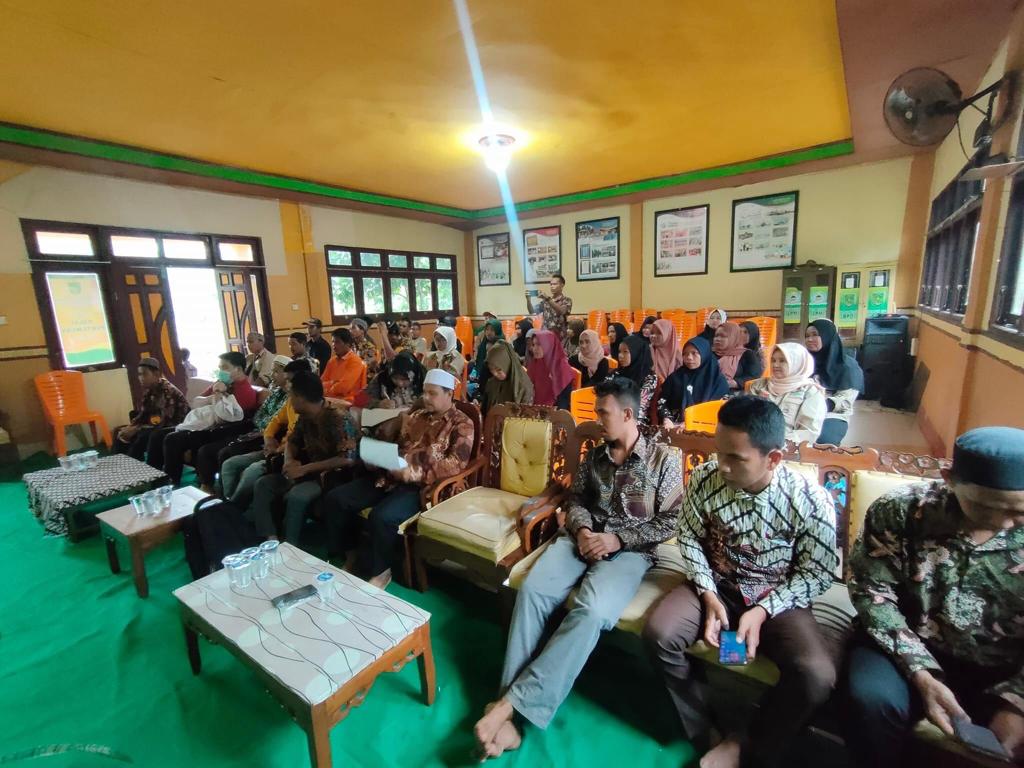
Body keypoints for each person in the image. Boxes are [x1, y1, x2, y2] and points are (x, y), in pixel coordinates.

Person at [473, 378, 683, 759]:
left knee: (592, 611)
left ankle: (508, 706)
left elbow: (670, 521)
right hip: (579, 541)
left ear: (628, 414)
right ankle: (509, 715)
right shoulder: (595, 456)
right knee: (533, 590)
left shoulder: (663, 460)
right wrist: (584, 531)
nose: (597, 420)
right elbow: (576, 500)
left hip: (630, 552)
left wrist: (617, 540)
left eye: (603, 413)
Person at [644, 395, 839, 768]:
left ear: (773, 459)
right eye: (720, 453)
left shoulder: (810, 500)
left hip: (779, 599)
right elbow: (688, 536)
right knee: (659, 634)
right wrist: (707, 591)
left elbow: (816, 572)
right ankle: (705, 729)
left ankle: (748, 743)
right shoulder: (705, 479)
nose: (722, 466)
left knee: (816, 675)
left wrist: (764, 609)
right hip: (718, 585)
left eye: (736, 458)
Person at [843, 426, 1024, 768]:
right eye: (987, 507)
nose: (1004, 523)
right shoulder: (901, 510)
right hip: (908, 642)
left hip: (1004, 666)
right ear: (949, 479)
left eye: (1020, 512)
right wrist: (921, 672)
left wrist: (1016, 702)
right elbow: (872, 590)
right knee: (871, 700)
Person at [325, 368, 475, 589]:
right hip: (390, 476)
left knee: (382, 517)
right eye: (424, 392)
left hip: (423, 486)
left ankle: (381, 571)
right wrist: (378, 457)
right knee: (336, 499)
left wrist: (414, 472)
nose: (426, 398)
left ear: (449, 394)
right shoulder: (416, 416)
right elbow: (400, 446)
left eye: (432, 393)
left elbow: (455, 464)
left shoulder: (462, 424)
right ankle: (352, 555)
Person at [249, 370, 359, 544]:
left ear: (301, 398)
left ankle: (290, 546)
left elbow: (347, 458)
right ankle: (270, 538)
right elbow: (293, 441)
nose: (289, 399)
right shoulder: (305, 415)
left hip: (330, 476)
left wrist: (304, 469)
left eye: (291, 395)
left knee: (297, 496)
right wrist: (289, 461)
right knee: (263, 484)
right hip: (305, 469)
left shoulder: (339, 418)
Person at [146, 351, 259, 485]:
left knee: (172, 439)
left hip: (217, 431)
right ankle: (153, 479)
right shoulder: (221, 383)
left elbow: (224, 419)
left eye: (225, 368)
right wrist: (213, 397)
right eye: (220, 368)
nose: (220, 372)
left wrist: (218, 393)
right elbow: (196, 402)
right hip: (201, 424)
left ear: (238, 369)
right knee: (157, 435)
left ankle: (171, 483)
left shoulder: (245, 391)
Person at [193, 354, 292, 491]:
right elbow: (260, 416)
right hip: (255, 430)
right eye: (272, 370)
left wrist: (265, 432)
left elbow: (278, 423)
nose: (271, 375)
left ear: (287, 375)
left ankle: (223, 493)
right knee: (205, 445)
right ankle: (209, 487)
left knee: (225, 453)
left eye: (276, 371)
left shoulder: (291, 397)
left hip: (267, 437)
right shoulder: (276, 392)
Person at [220, 358, 308, 510]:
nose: (287, 384)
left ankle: (232, 509)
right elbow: (275, 421)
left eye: (289, 380)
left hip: (287, 454)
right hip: (275, 448)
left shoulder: (307, 406)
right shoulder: (290, 400)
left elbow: (297, 439)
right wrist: (268, 439)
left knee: (251, 472)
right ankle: (231, 505)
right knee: (229, 464)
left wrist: (278, 450)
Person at [112, 358, 190, 459]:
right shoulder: (149, 390)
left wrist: (136, 429)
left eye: (144, 374)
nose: (141, 378)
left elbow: (164, 422)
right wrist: (130, 427)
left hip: (175, 428)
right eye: (139, 374)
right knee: (119, 432)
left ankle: (134, 465)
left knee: (142, 436)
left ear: (156, 374)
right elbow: (143, 414)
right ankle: (117, 463)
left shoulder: (167, 391)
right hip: (157, 424)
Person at [749, 344, 826, 445]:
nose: (775, 365)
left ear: (797, 363)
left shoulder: (810, 392)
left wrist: (777, 443)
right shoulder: (759, 385)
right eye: (773, 360)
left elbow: (808, 432)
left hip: (790, 448)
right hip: (754, 444)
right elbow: (746, 420)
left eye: (782, 361)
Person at [805, 319, 863, 446]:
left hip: (833, 414)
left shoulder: (848, 366)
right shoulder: (805, 362)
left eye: (815, 335)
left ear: (827, 336)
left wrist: (820, 405)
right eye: (807, 336)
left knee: (823, 440)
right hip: (803, 410)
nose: (809, 339)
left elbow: (845, 402)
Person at [657, 337, 730, 427]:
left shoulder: (717, 380)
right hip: (675, 427)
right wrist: (666, 418)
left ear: (704, 354)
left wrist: (693, 421)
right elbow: (662, 401)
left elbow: (722, 407)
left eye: (694, 353)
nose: (689, 358)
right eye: (685, 354)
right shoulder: (675, 377)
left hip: (708, 428)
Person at [526, 329, 575, 409]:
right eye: (534, 345)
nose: (534, 349)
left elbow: (563, 403)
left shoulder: (562, 368)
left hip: (555, 411)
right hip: (536, 409)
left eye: (539, 344)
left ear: (549, 345)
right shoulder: (536, 363)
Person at [614, 335, 657, 425]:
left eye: (625, 352)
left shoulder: (649, 378)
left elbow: (640, 406)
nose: (620, 356)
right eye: (619, 351)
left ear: (636, 353)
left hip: (636, 421)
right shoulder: (615, 373)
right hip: (613, 416)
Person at [483, 340, 533, 414]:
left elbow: (525, 416)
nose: (495, 374)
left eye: (498, 370)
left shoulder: (523, 386)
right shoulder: (491, 383)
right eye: (491, 369)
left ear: (508, 365)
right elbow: (485, 410)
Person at [713, 321, 763, 391]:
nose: (718, 339)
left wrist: (735, 383)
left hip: (736, 393)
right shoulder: (710, 353)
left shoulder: (747, 354)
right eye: (716, 336)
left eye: (723, 336)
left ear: (733, 337)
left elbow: (754, 377)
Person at [320, 328, 368, 402]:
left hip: (349, 402)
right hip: (330, 399)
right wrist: (333, 382)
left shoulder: (355, 361)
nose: (334, 345)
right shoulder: (332, 361)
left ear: (348, 344)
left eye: (337, 342)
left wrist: (327, 389)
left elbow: (343, 388)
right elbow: (320, 383)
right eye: (333, 342)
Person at [470, 318, 503, 396]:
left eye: (492, 330)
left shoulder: (502, 345)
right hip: (483, 378)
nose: (489, 332)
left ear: (497, 331)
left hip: (497, 382)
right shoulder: (484, 343)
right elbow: (479, 361)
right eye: (487, 330)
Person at [536, 274, 573, 340]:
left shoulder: (567, 300)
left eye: (555, 284)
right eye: (551, 284)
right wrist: (528, 300)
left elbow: (562, 311)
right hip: (545, 335)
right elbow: (531, 310)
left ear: (562, 285)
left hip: (559, 335)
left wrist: (548, 299)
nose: (552, 286)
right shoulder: (545, 301)